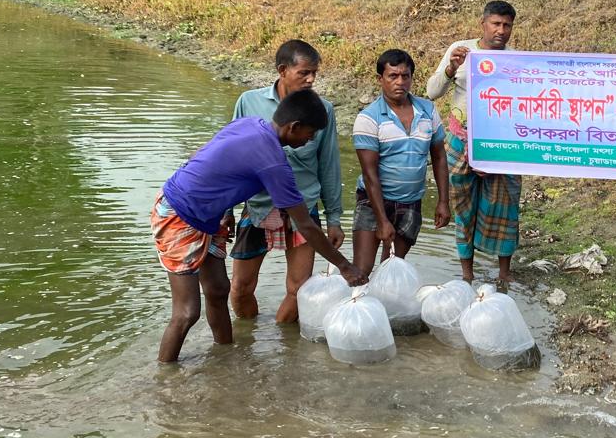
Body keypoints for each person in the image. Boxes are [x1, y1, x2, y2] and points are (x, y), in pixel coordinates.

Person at [151, 89, 365, 363]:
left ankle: (226, 357)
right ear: (293, 127)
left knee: (218, 290)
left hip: (206, 215)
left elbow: (201, 153)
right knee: (187, 312)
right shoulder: (273, 162)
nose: (311, 139)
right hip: (179, 214)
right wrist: (345, 267)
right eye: (310, 133)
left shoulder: (250, 123)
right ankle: (165, 377)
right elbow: (306, 225)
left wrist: (219, 206)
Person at [228, 40, 344, 324]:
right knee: (240, 288)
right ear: (282, 71)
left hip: (303, 204)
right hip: (258, 204)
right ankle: (248, 335)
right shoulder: (249, 102)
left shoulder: (323, 110)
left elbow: (329, 166)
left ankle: (282, 339)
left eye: (314, 73)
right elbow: (231, 156)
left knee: (299, 290)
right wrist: (224, 210)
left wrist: (334, 219)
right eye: (304, 72)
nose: (311, 79)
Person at [426, 0, 520, 286]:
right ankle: (467, 274)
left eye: (507, 25)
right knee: (462, 205)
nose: (501, 31)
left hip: (502, 143)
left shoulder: (518, 61)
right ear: (483, 24)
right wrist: (450, 69)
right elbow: (432, 92)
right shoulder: (461, 50)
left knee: (504, 205)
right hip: (460, 140)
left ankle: (504, 274)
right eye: (496, 24)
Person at [353, 49, 451, 270]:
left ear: (411, 78)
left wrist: (443, 201)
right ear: (380, 79)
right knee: (361, 270)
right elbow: (369, 174)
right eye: (393, 76)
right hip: (372, 202)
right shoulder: (368, 118)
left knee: (393, 269)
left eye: (405, 76)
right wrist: (382, 220)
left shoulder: (427, 110)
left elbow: (439, 157)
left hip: (410, 201)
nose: (400, 82)